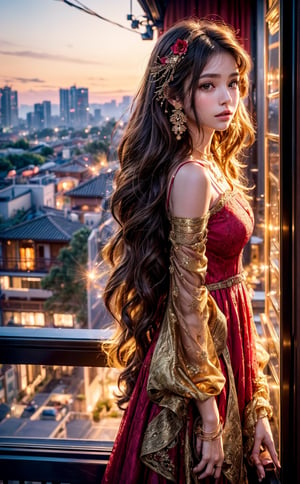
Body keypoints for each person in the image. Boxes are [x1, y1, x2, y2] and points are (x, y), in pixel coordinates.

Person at [101, 18, 281, 484]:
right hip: (200, 362)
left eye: (233, 84)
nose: (228, 98)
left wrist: (256, 402)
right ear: (177, 97)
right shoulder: (192, 176)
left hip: (227, 340)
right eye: (209, 85)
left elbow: (233, 287)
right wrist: (209, 417)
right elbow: (187, 300)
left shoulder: (212, 164)